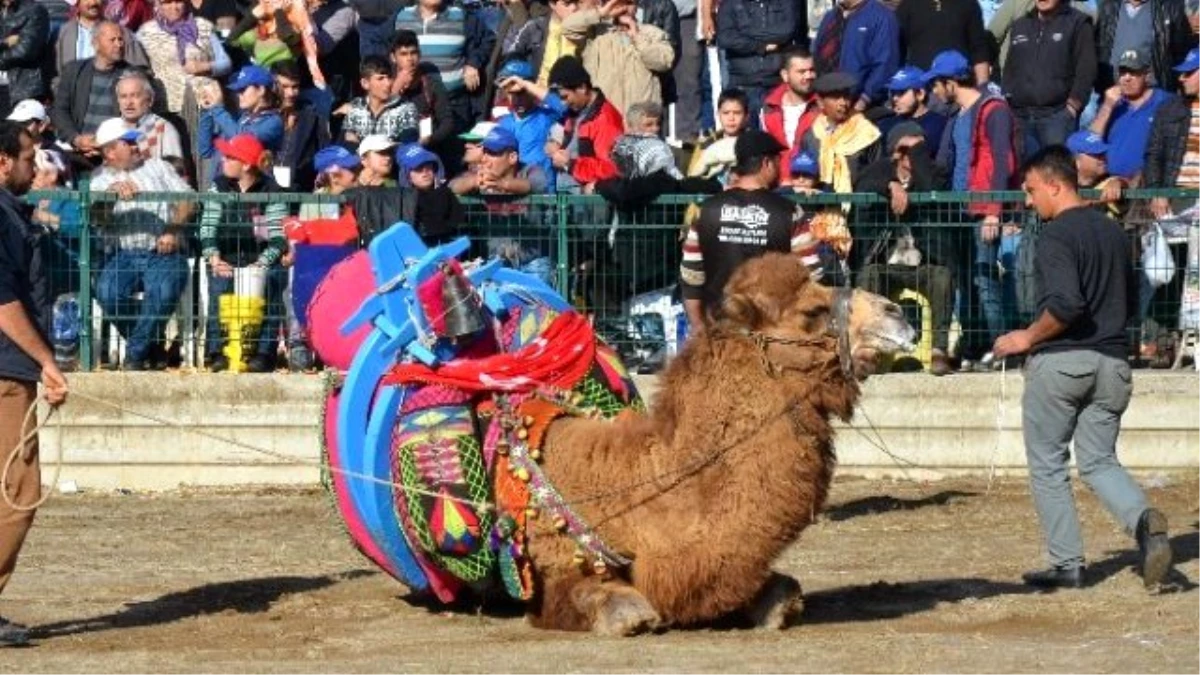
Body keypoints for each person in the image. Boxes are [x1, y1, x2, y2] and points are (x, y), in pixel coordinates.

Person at [993, 145, 1174, 591]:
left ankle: (1067, 564)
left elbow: (1067, 304)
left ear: (1056, 185)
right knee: (1098, 460)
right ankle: (1143, 521)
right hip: (1114, 364)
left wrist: (1026, 337)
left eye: (1032, 191)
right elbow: (1132, 299)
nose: (1029, 201)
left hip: (1061, 364)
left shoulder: (1055, 235)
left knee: (1049, 463)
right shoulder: (1113, 231)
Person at [0, 121, 68, 649]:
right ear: (3, 161)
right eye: (27, 157)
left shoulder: (13, 215)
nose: (35, 167)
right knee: (18, 492)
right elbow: (3, 306)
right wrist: (46, 362)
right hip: (6, 372)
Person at [679, 128, 825, 332]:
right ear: (766, 163)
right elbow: (812, 273)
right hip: (772, 332)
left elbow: (691, 277)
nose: (779, 168)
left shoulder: (705, 211)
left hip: (719, 329)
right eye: (777, 161)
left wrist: (698, 327)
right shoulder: (789, 211)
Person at [927, 49, 1018, 368]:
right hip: (959, 212)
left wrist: (994, 210)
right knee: (965, 281)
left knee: (984, 278)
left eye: (937, 85)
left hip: (983, 211)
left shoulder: (993, 110)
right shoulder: (957, 117)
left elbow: (1001, 162)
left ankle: (1003, 347)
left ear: (951, 82)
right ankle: (973, 344)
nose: (934, 93)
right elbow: (946, 164)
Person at [88, 117, 194, 370]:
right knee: (107, 293)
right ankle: (150, 346)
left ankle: (135, 356)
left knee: (164, 291)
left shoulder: (158, 166)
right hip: (123, 253)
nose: (137, 146)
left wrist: (172, 229)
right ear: (110, 151)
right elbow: (98, 219)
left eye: (136, 141)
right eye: (129, 142)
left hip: (163, 251)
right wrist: (109, 196)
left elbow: (189, 200)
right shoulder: (99, 180)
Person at [200, 133, 289, 373]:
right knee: (219, 288)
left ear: (247, 164)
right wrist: (214, 257)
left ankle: (263, 353)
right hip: (226, 257)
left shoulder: (272, 190)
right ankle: (216, 352)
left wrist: (261, 263)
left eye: (229, 157)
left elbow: (279, 236)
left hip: (260, 259)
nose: (223, 161)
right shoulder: (217, 186)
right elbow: (208, 226)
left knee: (270, 285)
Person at [1001, 0, 1097, 159]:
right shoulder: (1020, 24)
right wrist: (1008, 98)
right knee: (1023, 177)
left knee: (1055, 174)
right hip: (1020, 117)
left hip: (1056, 117)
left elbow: (1086, 68)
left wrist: (1073, 106)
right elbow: (1011, 66)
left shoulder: (1078, 22)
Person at [559, 0, 676, 116]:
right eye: (618, 3)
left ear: (636, 7)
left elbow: (664, 62)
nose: (624, 8)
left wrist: (637, 36)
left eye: (629, 3)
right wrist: (601, 13)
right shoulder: (594, 34)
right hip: (605, 118)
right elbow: (567, 28)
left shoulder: (651, 33)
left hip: (640, 120)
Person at [51, 21, 141, 162]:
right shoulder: (74, 71)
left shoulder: (131, 76)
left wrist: (106, 146)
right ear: (96, 43)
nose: (119, 44)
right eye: (113, 40)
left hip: (114, 153)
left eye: (121, 39)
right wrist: (76, 139)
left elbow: (138, 118)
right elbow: (60, 109)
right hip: (77, 151)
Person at [1089, 49, 1174, 181]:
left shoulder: (1165, 102)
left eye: (1133, 72)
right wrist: (1107, 106)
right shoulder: (1112, 104)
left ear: (1147, 75)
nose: (1126, 78)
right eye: (1123, 72)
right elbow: (1090, 142)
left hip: (1150, 185)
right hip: (1111, 184)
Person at [135, 0, 233, 115]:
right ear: (158, 5)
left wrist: (204, 66)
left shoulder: (202, 26)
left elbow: (226, 63)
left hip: (207, 104)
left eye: (178, 2)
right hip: (170, 107)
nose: (174, 7)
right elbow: (138, 69)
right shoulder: (146, 33)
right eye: (167, 2)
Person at [544, 56, 623, 193]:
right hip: (568, 197)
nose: (563, 103)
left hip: (589, 204)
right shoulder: (574, 111)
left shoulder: (605, 119)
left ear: (582, 87)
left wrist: (571, 164)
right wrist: (554, 144)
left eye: (565, 97)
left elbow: (612, 168)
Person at [716, 0, 801, 118]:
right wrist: (761, 46)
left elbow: (787, 31)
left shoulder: (785, 2)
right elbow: (725, 39)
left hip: (776, 83)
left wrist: (744, 33)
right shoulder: (730, 4)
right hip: (743, 83)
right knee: (746, 134)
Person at [812, 0, 901, 111]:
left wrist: (866, 98)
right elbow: (817, 53)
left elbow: (886, 64)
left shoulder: (882, 17)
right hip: (824, 101)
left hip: (858, 105)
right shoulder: (830, 17)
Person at [1094, 0, 1192, 95]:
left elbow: (1183, 51)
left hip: (1154, 92)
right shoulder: (1108, 7)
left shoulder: (1169, 8)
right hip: (1113, 91)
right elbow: (1098, 49)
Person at [760, 48, 820, 185]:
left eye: (811, 70)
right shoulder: (769, 108)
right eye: (801, 72)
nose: (809, 76)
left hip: (812, 188)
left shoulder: (822, 107)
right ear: (785, 75)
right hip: (778, 188)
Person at [273, 60, 331, 192]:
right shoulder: (263, 116)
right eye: (285, 87)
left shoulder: (311, 115)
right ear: (273, 86)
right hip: (266, 190)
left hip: (301, 188)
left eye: (295, 87)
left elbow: (324, 149)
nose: (291, 93)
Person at [55, 0, 150, 80]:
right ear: (77, 3)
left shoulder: (122, 33)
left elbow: (141, 71)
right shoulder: (64, 33)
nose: (93, 3)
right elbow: (57, 75)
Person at [341, 55, 420, 146]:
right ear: (365, 83)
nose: (388, 83)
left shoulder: (405, 108)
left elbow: (408, 146)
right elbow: (345, 145)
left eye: (389, 77)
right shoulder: (355, 106)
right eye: (380, 78)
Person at [875, 66, 948, 158]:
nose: (895, 98)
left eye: (901, 92)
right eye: (893, 92)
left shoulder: (938, 125)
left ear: (920, 94)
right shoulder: (885, 124)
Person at [115, 69, 184, 160]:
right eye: (123, 96)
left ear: (150, 100)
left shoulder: (164, 130)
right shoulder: (111, 130)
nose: (128, 103)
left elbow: (175, 170)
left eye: (135, 96)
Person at [0, 0, 50, 118]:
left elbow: (25, 51)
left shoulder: (34, 10)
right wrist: (6, 42)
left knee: (17, 133)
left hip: (22, 90)